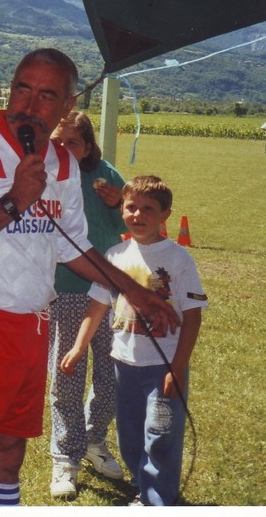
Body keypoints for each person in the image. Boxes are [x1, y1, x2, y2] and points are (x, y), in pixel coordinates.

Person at [0, 49, 179, 507]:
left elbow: (72, 246)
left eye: (46, 95)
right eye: (21, 89)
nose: (28, 105)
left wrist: (134, 292)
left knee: (8, 455)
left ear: (67, 104)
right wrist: (15, 198)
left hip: (30, 326)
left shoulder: (64, 162)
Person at [61, 175, 206, 506]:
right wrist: (79, 345)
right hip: (123, 365)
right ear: (121, 209)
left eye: (148, 209)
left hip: (162, 367)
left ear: (165, 215)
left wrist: (177, 368)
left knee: (160, 435)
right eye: (131, 207)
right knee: (129, 435)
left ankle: (158, 500)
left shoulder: (178, 258)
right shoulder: (114, 255)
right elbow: (98, 305)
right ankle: (145, 488)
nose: (137, 215)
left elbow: (193, 317)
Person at [46, 111, 128, 498]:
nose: (62, 150)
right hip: (65, 288)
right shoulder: (44, 173)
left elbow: (143, 220)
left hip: (110, 291)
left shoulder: (106, 175)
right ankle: (66, 456)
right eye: (57, 142)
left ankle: (96, 440)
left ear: (89, 147)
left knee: (111, 374)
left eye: (72, 143)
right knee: (67, 375)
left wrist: (119, 201)